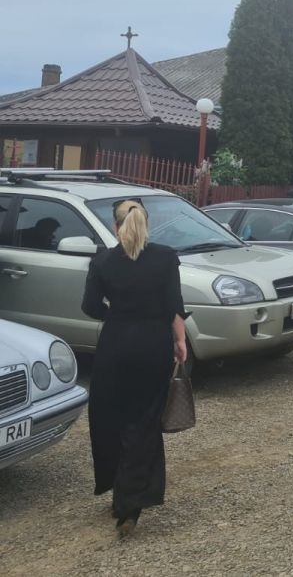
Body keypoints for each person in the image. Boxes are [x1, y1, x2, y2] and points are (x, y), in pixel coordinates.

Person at [81, 199, 188, 537]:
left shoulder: (102, 261)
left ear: (116, 227)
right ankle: (131, 504)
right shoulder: (166, 257)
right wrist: (180, 341)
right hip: (153, 345)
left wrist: (115, 314)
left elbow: (89, 306)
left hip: (115, 346)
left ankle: (117, 491)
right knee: (144, 421)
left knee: (110, 418)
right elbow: (174, 305)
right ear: (147, 224)